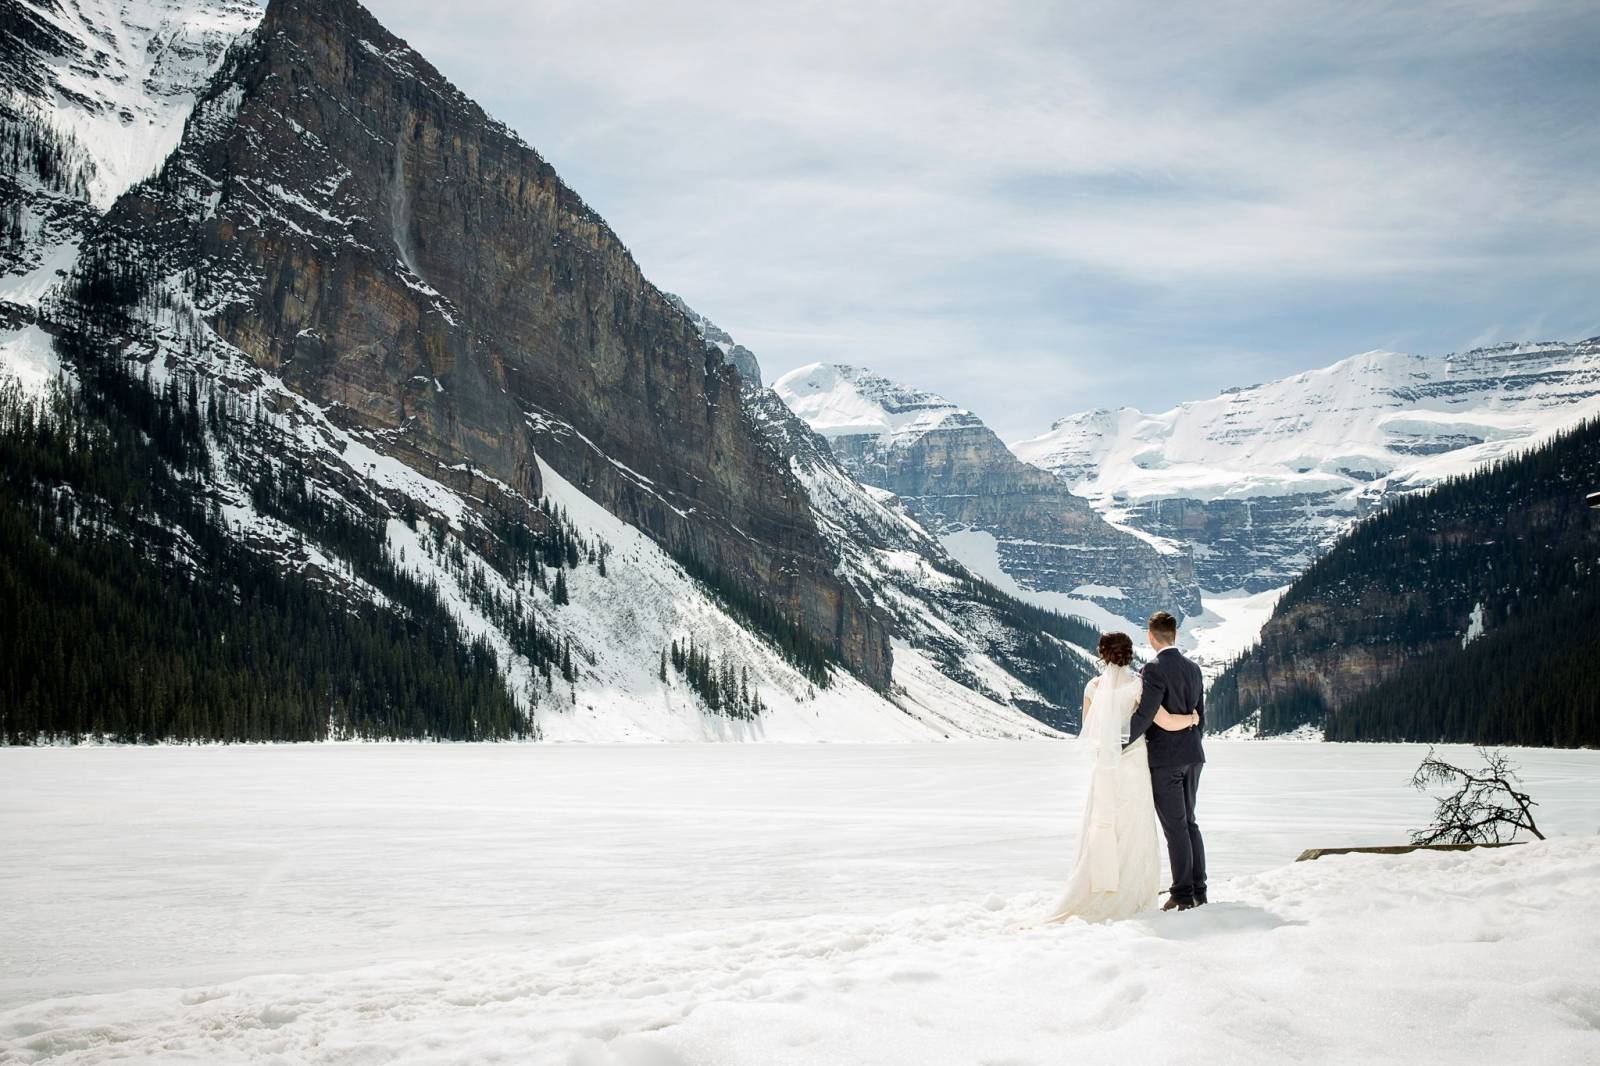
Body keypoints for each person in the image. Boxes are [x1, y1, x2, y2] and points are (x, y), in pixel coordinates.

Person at [1046, 631, 1199, 923]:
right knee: (1134, 827)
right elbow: (1163, 721)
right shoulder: (1138, 685)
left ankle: (1098, 884)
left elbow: (1089, 730)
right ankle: (1134, 890)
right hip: (1133, 764)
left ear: (1103, 653)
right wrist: (1192, 719)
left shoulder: (1092, 687)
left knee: (1103, 823)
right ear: (1129, 654)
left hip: (1105, 766)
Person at [1127, 610, 1208, 911]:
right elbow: (1201, 718)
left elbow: (1146, 715)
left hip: (1166, 759)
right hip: (1193, 755)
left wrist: (1120, 741)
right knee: (1189, 823)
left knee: (1175, 828)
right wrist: (1192, 738)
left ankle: (1183, 893)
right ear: (1174, 634)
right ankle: (1199, 889)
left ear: (1151, 636)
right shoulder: (1194, 669)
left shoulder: (1154, 669)